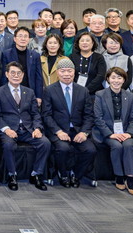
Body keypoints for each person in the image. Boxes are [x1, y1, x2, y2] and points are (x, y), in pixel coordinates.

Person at [0, 61, 51, 191]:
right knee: (8, 145)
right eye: (13, 73)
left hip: (28, 129)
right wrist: (6, 129)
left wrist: (37, 128)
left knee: (45, 143)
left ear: (23, 75)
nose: (16, 76)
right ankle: (12, 175)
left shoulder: (29, 92)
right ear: (7, 74)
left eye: (19, 73)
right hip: (9, 129)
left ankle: (36, 174)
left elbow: (35, 114)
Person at [41, 57, 96, 188]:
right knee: (63, 148)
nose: (66, 74)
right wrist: (58, 131)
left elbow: (89, 116)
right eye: (63, 71)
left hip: (77, 131)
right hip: (58, 131)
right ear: (57, 72)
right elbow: (46, 115)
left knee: (90, 150)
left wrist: (84, 132)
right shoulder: (49, 90)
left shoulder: (83, 90)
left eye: (69, 71)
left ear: (74, 72)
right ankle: (63, 174)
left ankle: (76, 175)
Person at [94, 67, 133, 196]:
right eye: (113, 77)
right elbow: (98, 118)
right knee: (116, 146)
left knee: (128, 145)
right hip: (107, 132)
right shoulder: (100, 95)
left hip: (125, 132)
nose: (116, 81)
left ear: (124, 80)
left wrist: (129, 133)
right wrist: (110, 134)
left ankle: (130, 179)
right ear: (108, 79)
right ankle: (119, 176)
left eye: (119, 78)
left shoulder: (130, 95)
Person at [1, 26, 43, 103]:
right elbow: (4, 77)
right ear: (14, 39)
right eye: (20, 36)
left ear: (29, 39)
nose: (23, 39)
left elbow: (38, 77)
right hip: (12, 92)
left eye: (25, 36)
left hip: (30, 91)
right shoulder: (6, 54)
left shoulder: (35, 55)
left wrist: (39, 96)